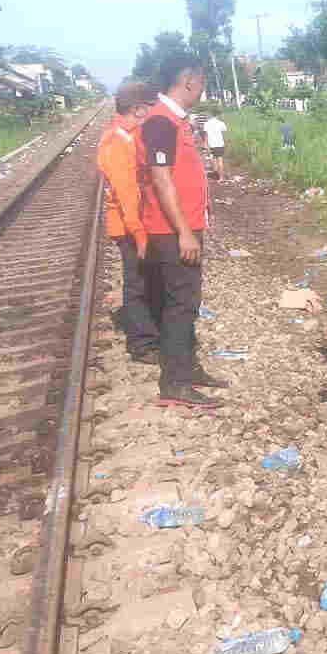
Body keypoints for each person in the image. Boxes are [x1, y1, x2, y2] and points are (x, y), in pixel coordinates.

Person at [137, 57, 226, 409]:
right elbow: (161, 180)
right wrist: (185, 231)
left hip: (183, 226)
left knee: (189, 302)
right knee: (180, 304)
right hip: (172, 232)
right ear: (189, 82)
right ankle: (175, 382)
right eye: (201, 85)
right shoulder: (160, 120)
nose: (202, 91)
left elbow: (185, 174)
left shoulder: (174, 120)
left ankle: (188, 369)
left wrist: (202, 211)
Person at [97, 80, 158, 362]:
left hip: (134, 223)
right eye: (149, 107)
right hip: (128, 226)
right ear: (137, 109)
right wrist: (139, 233)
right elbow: (126, 193)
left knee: (145, 280)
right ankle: (141, 345)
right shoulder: (116, 141)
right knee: (137, 283)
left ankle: (148, 335)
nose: (153, 112)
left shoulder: (127, 136)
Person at [203, 113, 229, 181]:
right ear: (216, 116)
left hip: (211, 144)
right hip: (220, 144)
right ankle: (221, 177)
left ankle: (216, 173)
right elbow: (224, 133)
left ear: (209, 116)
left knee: (213, 159)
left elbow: (206, 136)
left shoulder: (206, 124)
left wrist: (205, 144)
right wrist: (225, 142)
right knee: (220, 160)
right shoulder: (221, 123)